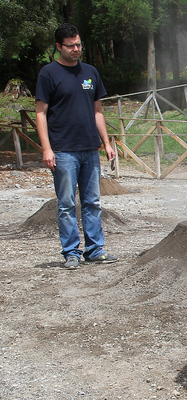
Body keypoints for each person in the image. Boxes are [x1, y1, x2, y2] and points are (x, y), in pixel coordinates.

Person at [35, 23, 117, 269]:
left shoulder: (90, 71)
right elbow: (40, 113)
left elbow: (97, 111)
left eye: (78, 44)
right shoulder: (48, 74)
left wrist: (106, 141)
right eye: (70, 46)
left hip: (90, 148)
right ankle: (71, 252)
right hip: (63, 150)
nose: (76, 49)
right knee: (67, 204)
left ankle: (95, 250)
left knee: (92, 201)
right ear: (59, 46)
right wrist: (46, 149)